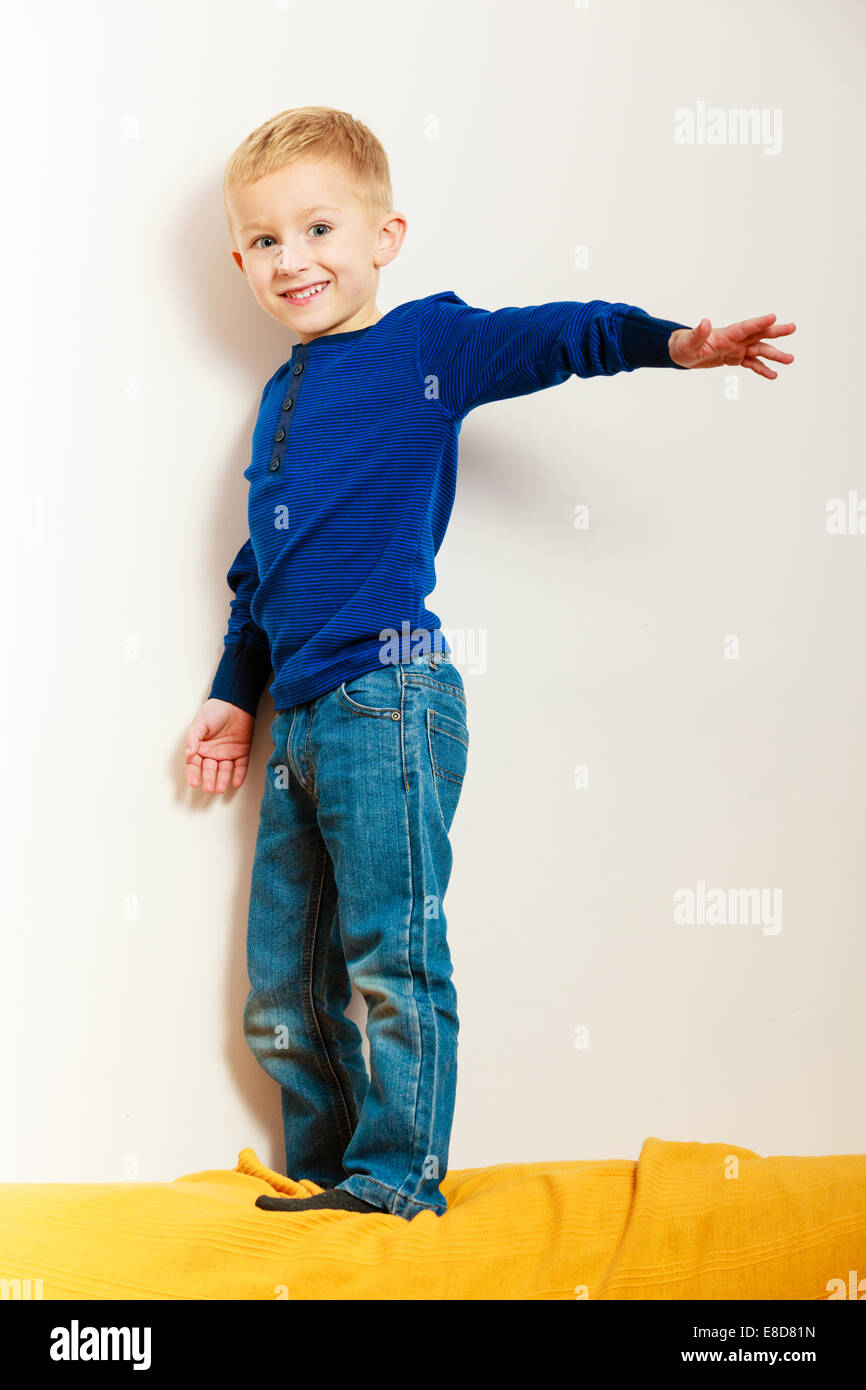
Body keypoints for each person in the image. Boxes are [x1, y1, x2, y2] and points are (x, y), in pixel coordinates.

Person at [184, 105, 795, 1220]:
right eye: (265, 240)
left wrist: (673, 341)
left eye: (319, 228)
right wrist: (233, 698)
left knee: (389, 957)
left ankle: (394, 1180)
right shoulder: (281, 397)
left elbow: (553, 333)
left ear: (386, 235)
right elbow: (259, 565)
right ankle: (321, 1177)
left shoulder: (425, 344)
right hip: (301, 720)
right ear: (239, 258)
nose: (294, 259)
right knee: (281, 987)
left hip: (389, 700)